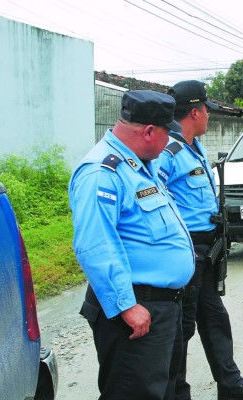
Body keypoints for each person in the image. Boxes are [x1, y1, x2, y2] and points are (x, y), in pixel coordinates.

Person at [69, 90, 196, 400]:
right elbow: (94, 244)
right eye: (167, 134)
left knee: (164, 390)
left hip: (162, 307)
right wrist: (126, 305)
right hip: (137, 311)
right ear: (149, 131)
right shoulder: (102, 172)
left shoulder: (139, 165)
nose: (169, 144)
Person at [156, 80, 243, 400]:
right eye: (206, 110)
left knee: (214, 318)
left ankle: (230, 384)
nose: (209, 116)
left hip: (208, 247)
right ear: (195, 112)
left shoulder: (193, 146)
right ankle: (176, 392)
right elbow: (155, 201)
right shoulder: (168, 151)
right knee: (181, 328)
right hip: (187, 251)